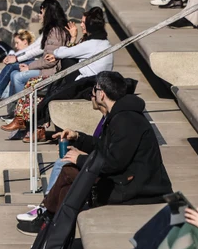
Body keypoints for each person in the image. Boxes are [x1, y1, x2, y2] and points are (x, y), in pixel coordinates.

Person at [23, 71, 173, 225]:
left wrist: (80, 158)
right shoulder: (118, 116)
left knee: (70, 171)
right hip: (127, 180)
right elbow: (105, 148)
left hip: (139, 189)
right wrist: (78, 137)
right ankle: (51, 223)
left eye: (93, 91)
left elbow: (113, 163)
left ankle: (48, 220)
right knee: (67, 186)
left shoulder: (126, 121)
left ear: (102, 94)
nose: (91, 95)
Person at [6, 7, 115, 141]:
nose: (80, 25)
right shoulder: (103, 43)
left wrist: (66, 46)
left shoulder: (91, 44)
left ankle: (27, 122)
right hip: (86, 81)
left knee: (38, 86)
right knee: (38, 84)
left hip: (85, 85)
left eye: (83, 22)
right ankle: (24, 121)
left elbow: (60, 52)